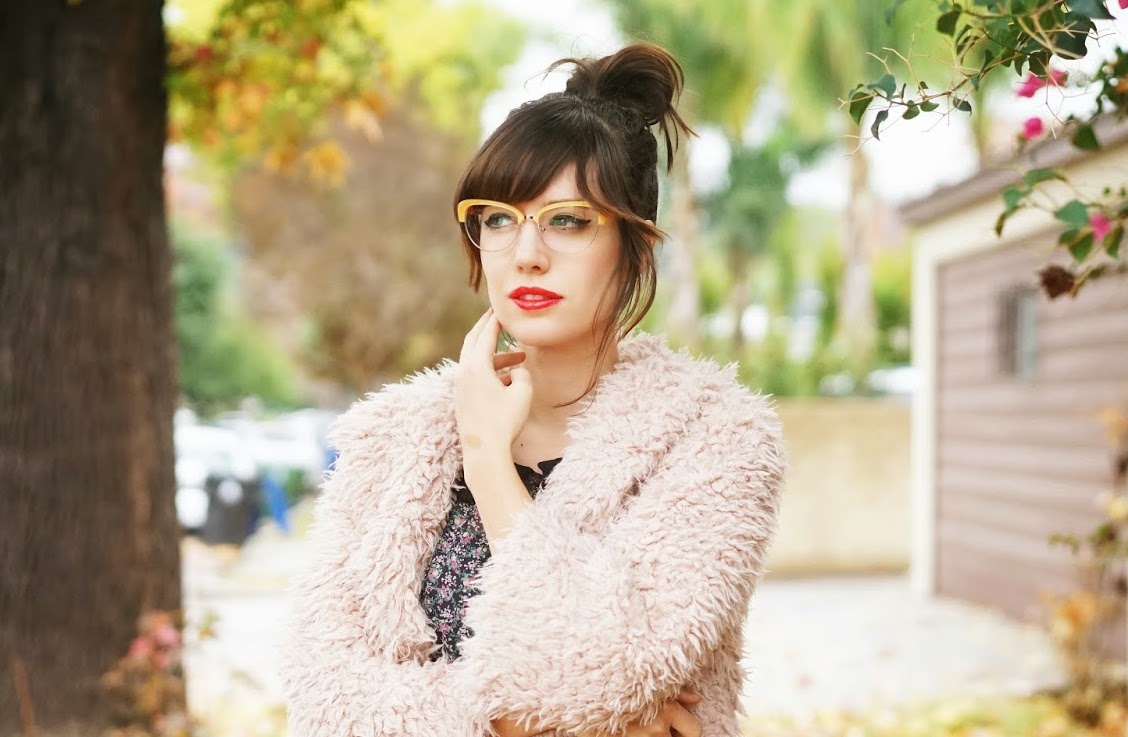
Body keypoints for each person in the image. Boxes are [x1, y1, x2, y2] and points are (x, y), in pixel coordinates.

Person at [280, 42, 786, 737]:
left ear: (634, 245)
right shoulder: (390, 438)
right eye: (498, 218)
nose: (526, 253)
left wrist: (489, 463)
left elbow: (607, 670)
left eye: (567, 220)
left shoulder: (715, 437)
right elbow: (324, 699)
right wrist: (524, 724)